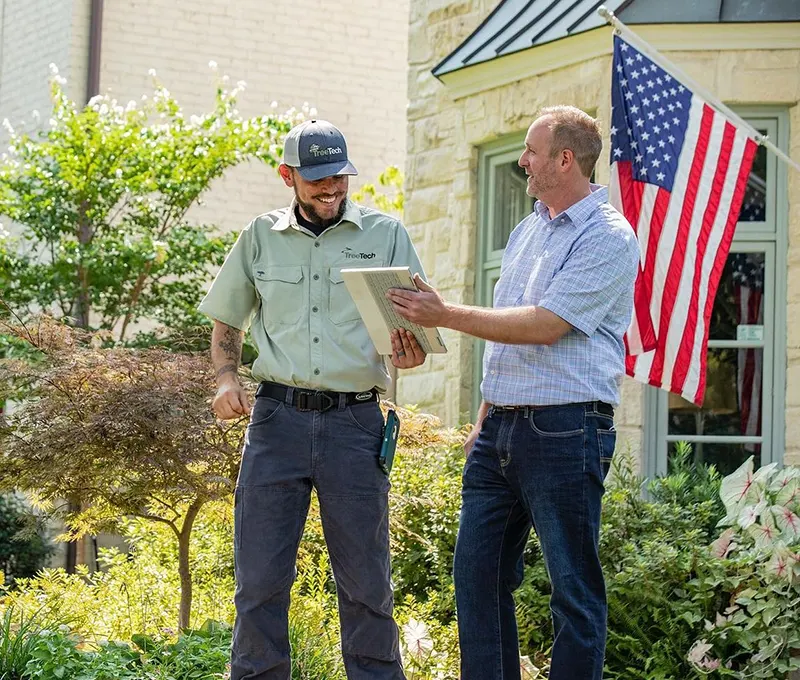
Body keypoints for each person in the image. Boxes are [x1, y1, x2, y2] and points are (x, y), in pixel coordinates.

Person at [387, 105, 640, 680]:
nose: (522, 161)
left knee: (572, 587)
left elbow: (546, 324)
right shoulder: (528, 229)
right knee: (477, 577)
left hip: (566, 429)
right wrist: (484, 414)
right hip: (499, 428)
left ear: (565, 159)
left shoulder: (608, 235)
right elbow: (507, 332)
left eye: (530, 150)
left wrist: (445, 313)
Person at [199, 119, 427, 680]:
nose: (331, 191)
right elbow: (227, 321)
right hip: (276, 423)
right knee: (259, 583)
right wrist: (226, 380)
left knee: (366, 584)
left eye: (339, 180)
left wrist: (410, 350)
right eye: (318, 181)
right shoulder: (259, 236)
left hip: (356, 423)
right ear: (288, 176)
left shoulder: (386, 235)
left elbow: (415, 335)